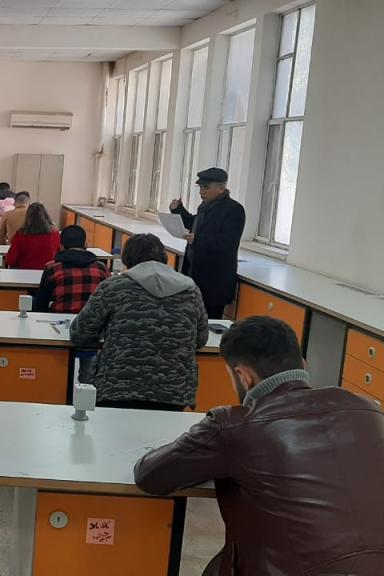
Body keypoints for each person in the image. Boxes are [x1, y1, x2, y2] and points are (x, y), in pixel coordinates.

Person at [135, 316, 384, 576]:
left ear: (243, 377)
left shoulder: (234, 424)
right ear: (302, 365)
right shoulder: (366, 409)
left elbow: (151, 476)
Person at [70, 234, 208, 411]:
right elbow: (200, 340)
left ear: (126, 260)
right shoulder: (191, 290)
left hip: (117, 387)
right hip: (175, 391)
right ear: (165, 258)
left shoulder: (113, 287)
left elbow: (79, 333)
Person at [170, 167, 245, 319]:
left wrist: (198, 239)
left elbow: (227, 242)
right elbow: (194, 224)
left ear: (221, 188)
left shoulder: (234, 210)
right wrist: (178, 210)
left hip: (214, 281)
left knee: (209, 322)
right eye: (200, 187)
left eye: (206, 187)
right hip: (194, 275)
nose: (201, 192)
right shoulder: (205, 207)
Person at [34, 225, 110, 313]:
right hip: (92, 319)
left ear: (61, 246)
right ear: (86, 245)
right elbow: (109, 299)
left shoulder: (52, 268)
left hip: (59, 318)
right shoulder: (102, 268)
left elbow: (41, 303)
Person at [5, 202, 60, 270]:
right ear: (46, 216)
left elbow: (10, 260)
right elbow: (59, 255)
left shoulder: (20, 234)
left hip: (24, 271)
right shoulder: (55, 233)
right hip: (48, 272)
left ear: (28, 216)